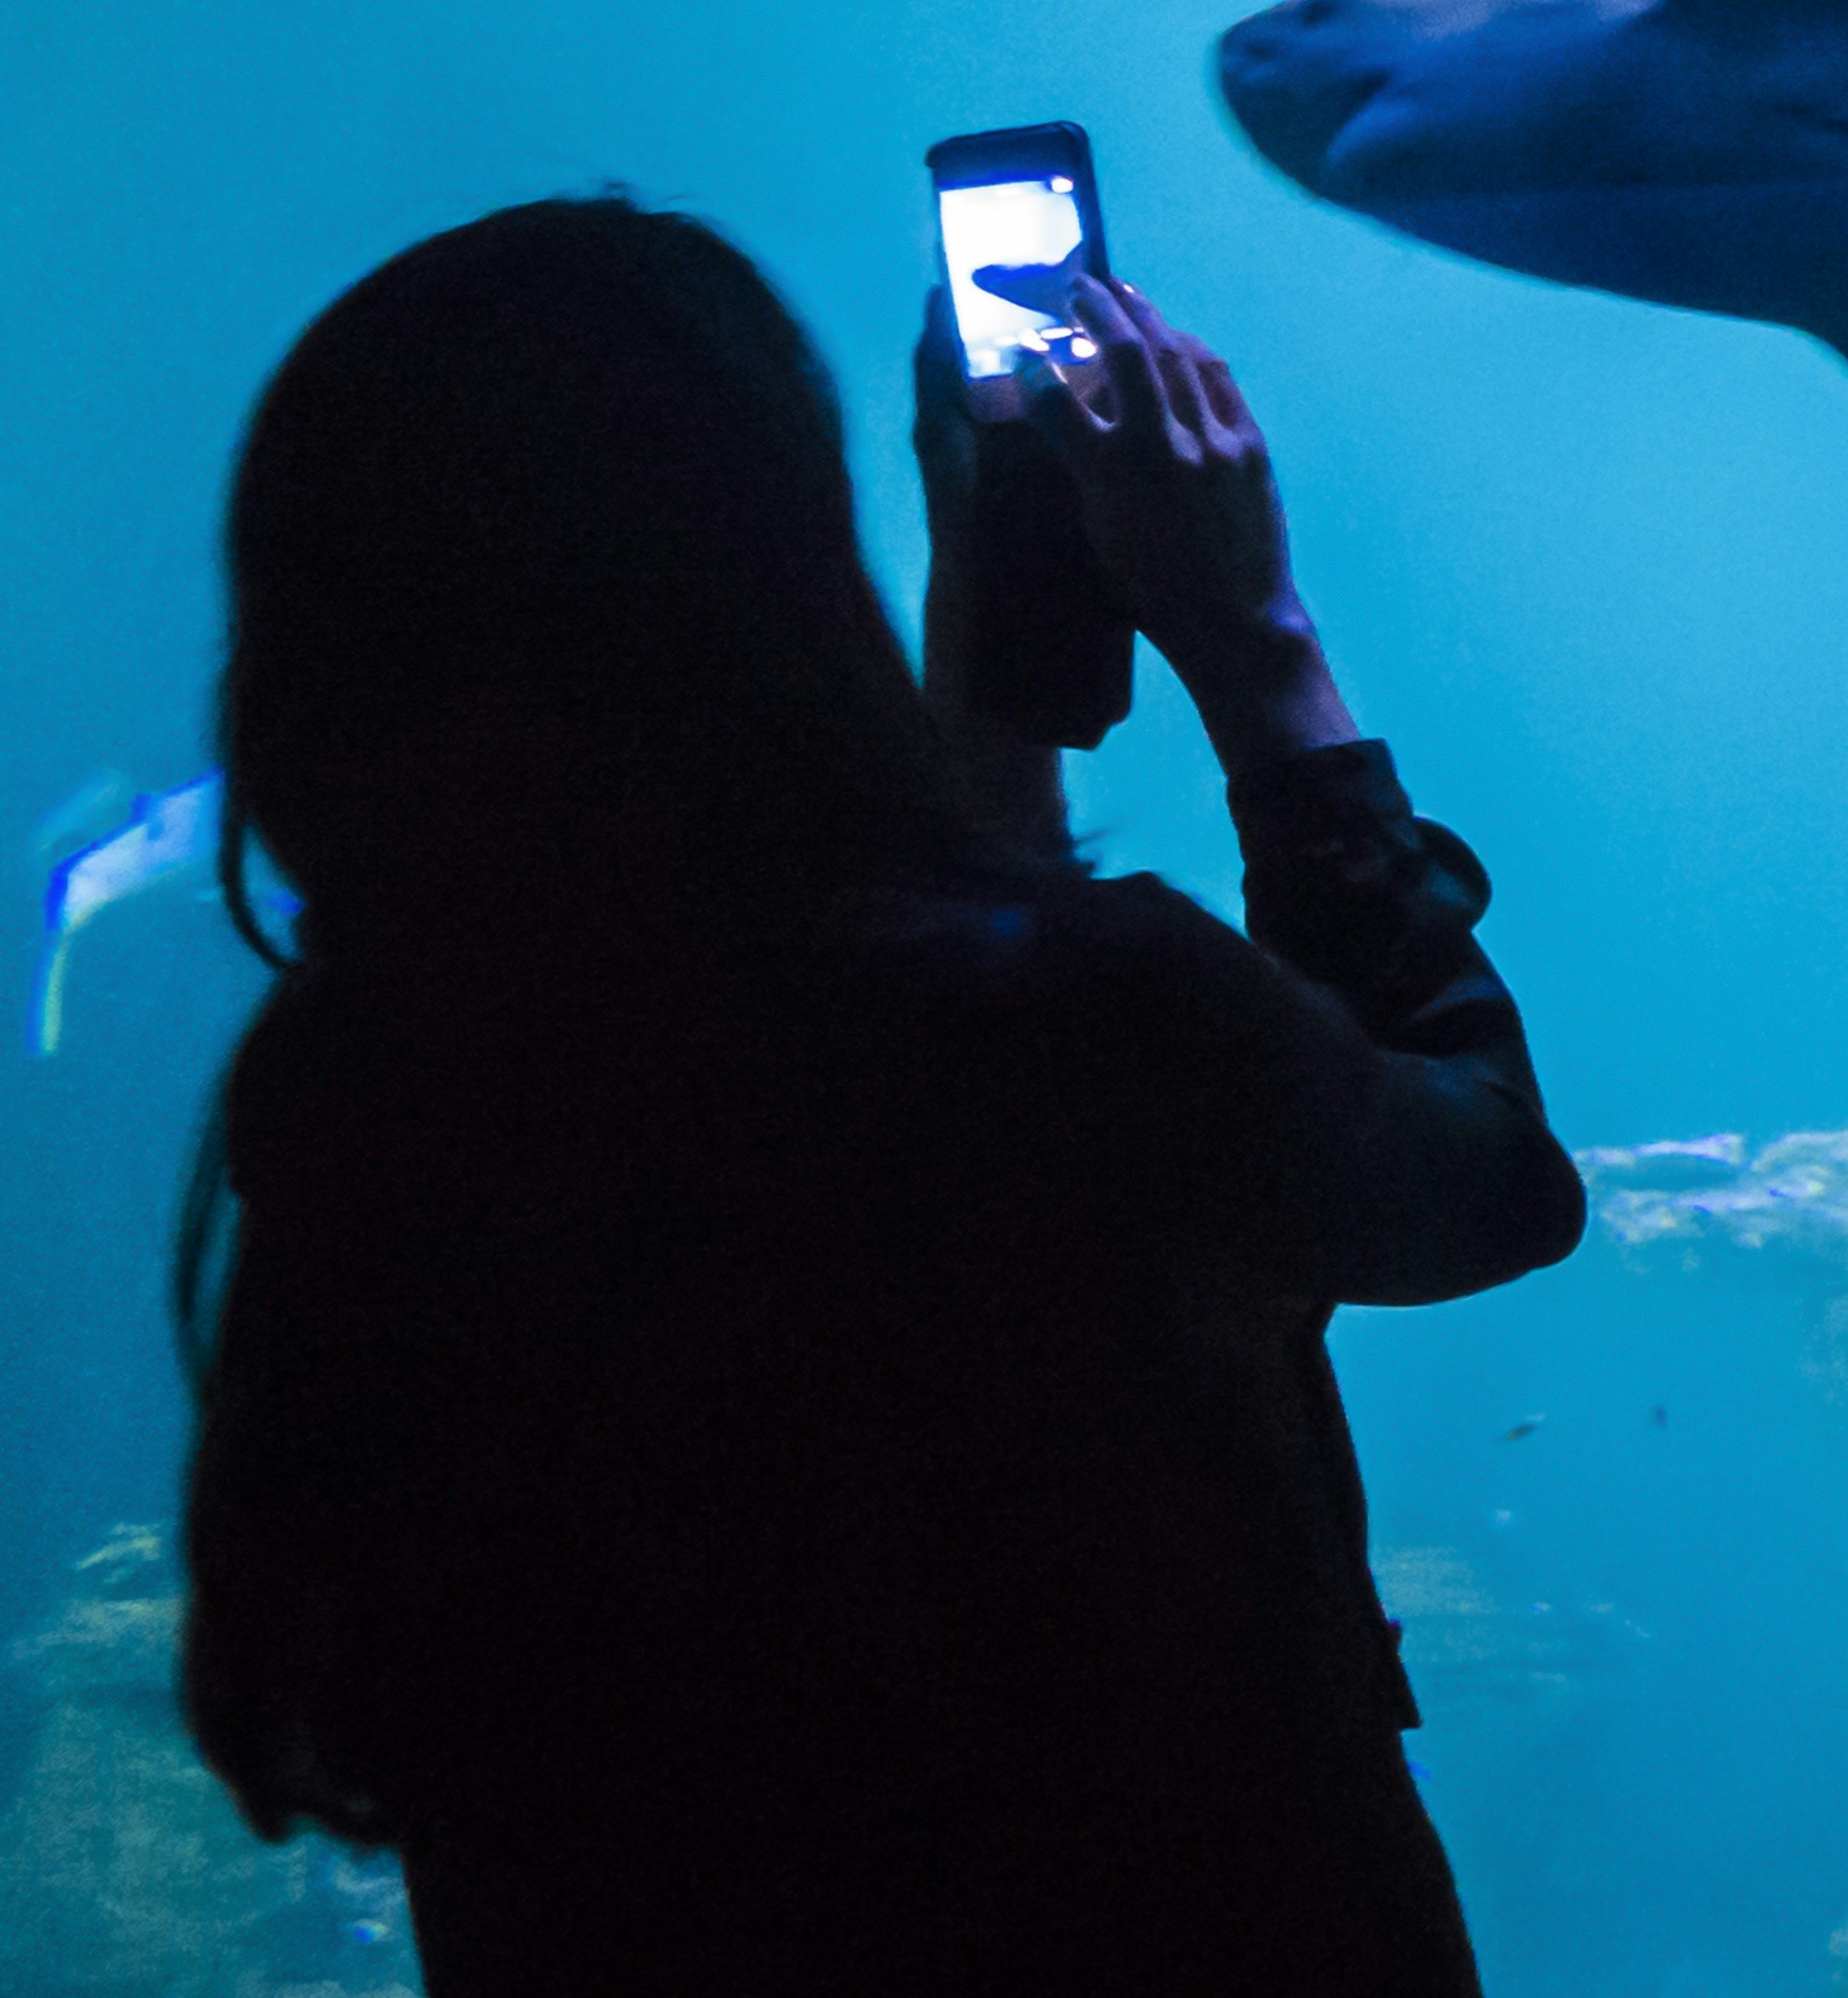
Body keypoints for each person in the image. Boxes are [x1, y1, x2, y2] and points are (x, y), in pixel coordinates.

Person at [171, 197, 1586, 1998]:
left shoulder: (370, 1116)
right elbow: (1489, 1178)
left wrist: (993, 685)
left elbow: (886, 1021)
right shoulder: (1087, 1027)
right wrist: (1257, 644)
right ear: (776, 572)